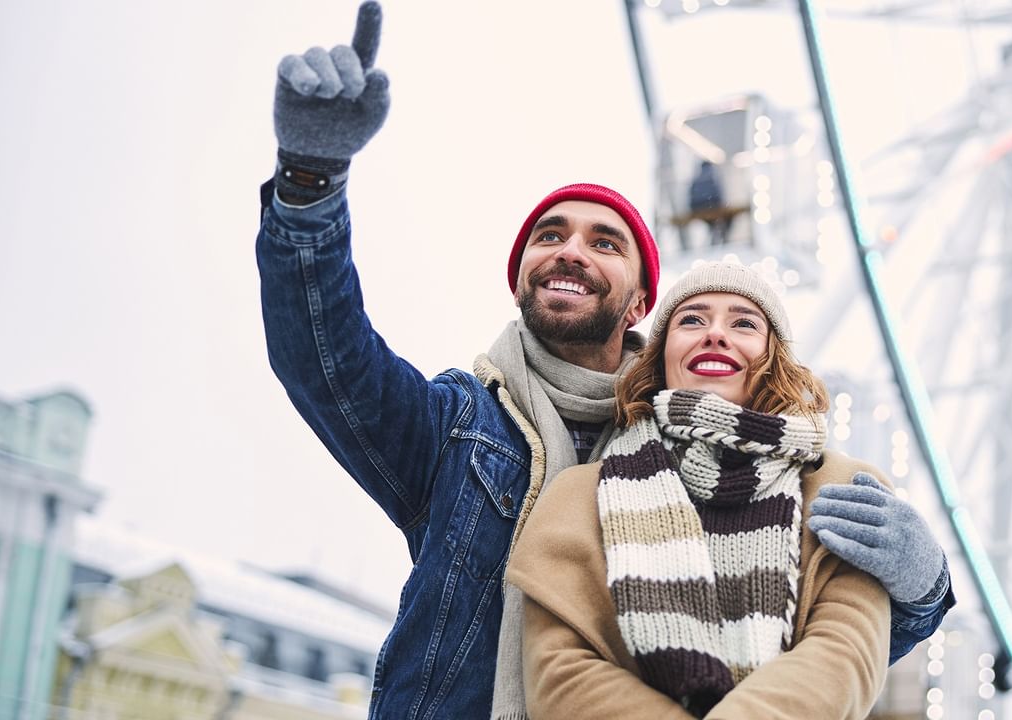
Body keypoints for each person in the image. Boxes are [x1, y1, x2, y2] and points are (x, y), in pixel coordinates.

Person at [257, 3, 951, 718]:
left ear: (639, 301)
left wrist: (923, 590)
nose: (571, 251)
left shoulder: (713, 446)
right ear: (522, 275)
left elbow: (801, 628)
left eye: (604, 242)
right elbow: (325, 357)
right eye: (550, 236)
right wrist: (310, 179)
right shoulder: (453, 429)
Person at [508, 263, 888, 718]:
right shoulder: (578, 499)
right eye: (692, 320)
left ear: (775, 358)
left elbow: (844, 653)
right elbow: (561, 675)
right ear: (662, 354)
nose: (715, 334)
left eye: (744, 323)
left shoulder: (839, 489)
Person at [687, 159, 731, 247]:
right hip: (712, 206)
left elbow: (691, 196)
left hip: (698, 209)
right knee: (727, 219)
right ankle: (724, 239)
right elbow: (718, 195)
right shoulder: (713, 177)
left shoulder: (696, 178)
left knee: (712, 222)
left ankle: (715, 237)